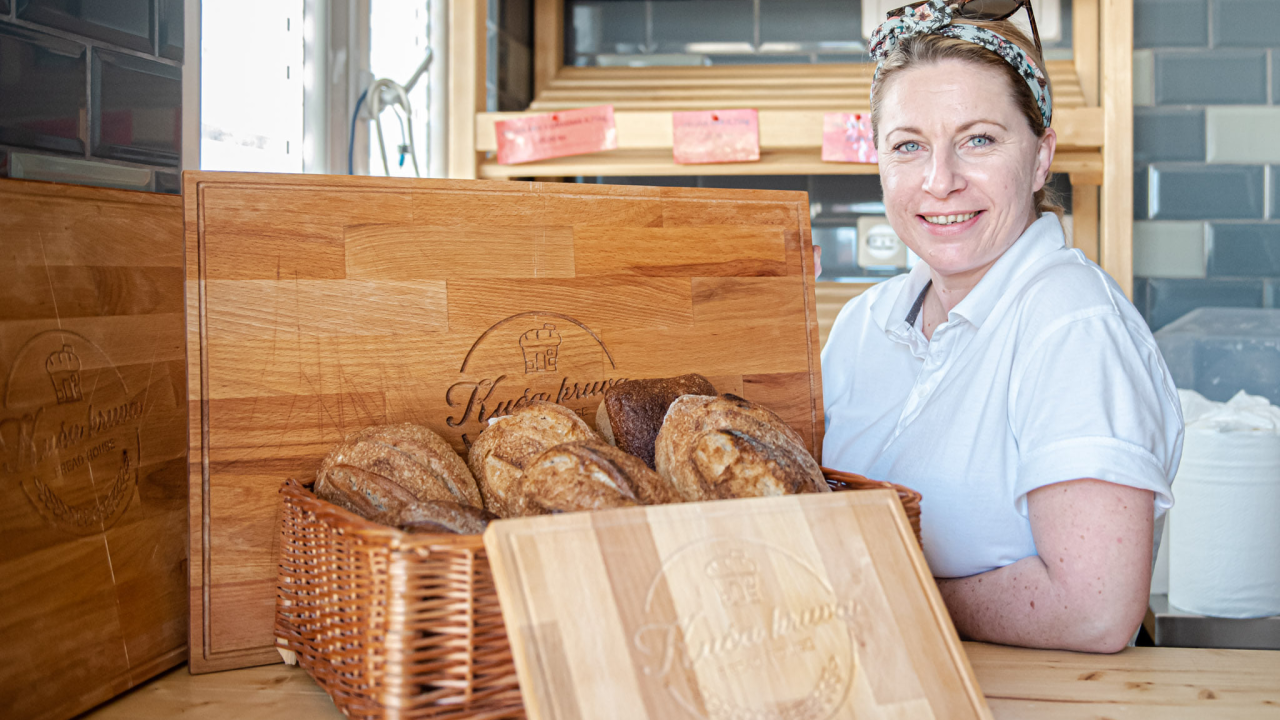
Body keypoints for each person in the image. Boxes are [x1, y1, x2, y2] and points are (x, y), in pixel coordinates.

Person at [821, 0, 1182, 653]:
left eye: (979, 140)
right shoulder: (861, 326)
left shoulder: (1071, 324)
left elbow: (1095, 610)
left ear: (1041, 158)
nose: (940, 181)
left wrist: (886, 591)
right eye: (908, 146)